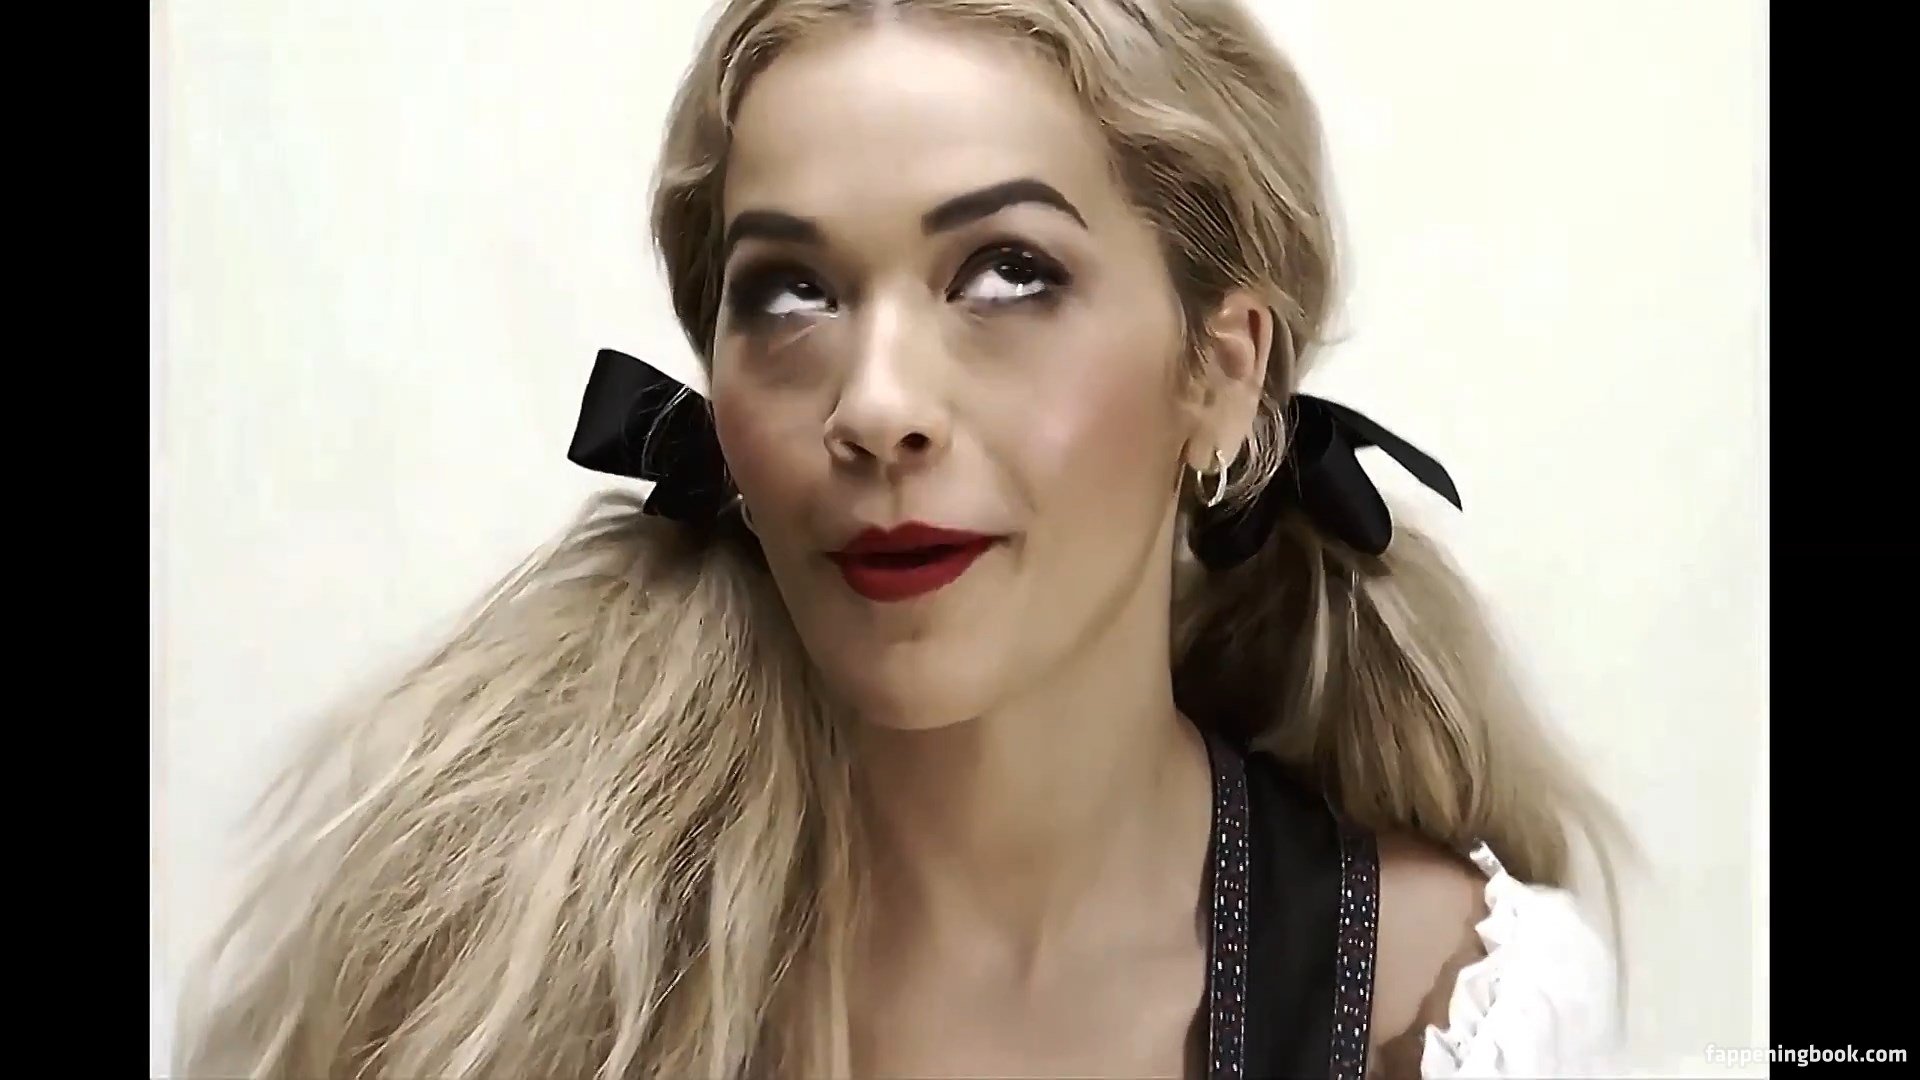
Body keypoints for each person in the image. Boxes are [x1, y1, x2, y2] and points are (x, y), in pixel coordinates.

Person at [174, 0, 1633, 1077]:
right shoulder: (492, 976)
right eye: (790, 293)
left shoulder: (1452, 1003)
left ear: (1223, 369)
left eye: (1006, 274)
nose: (875, 408)